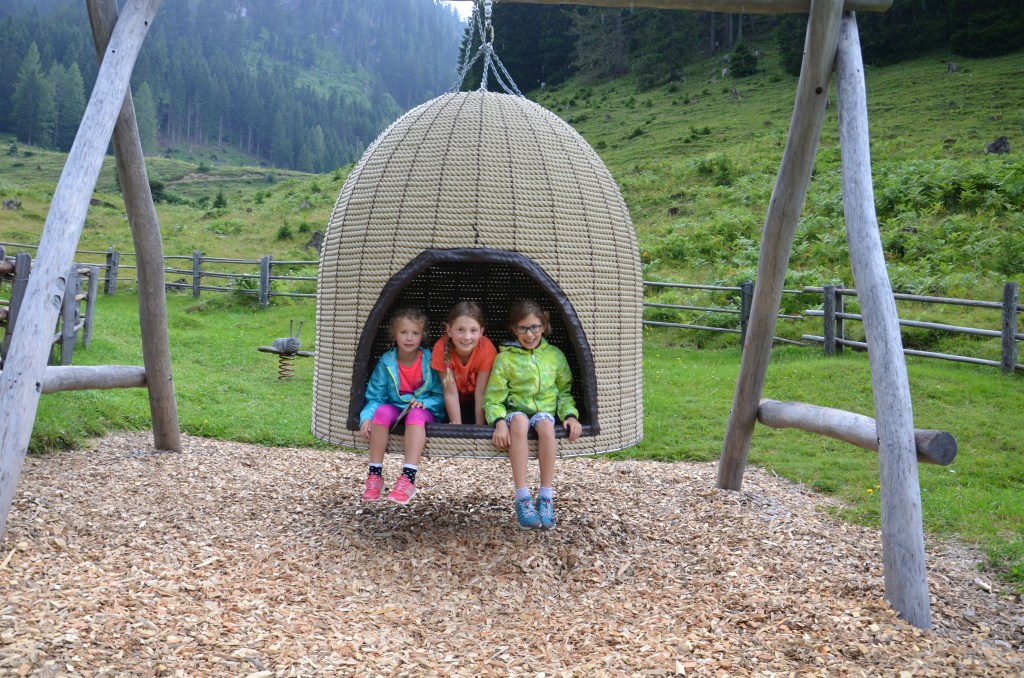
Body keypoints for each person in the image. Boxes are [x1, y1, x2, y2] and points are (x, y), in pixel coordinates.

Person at [484, 299, 582, 529]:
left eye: (534, 327)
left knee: (546, 425)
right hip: (515, 411)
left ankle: (546, 496)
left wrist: (570, 415)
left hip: (544, 412)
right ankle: (522, 498)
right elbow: (493, 398)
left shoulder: (555, 355)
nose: (529, 334)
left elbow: (564, 392)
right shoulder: (505, 359)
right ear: (514, 329)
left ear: (543, 326)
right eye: (523, 329)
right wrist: (499, 421)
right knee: (519, 421)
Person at [359, 307, 445, 505]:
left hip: (424, 411)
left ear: (422, 336)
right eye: (403, 332)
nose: (409, 338)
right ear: (394, 334)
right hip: (396, 408)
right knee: (381, 412)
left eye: (415, 333)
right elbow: (376, 396)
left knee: (415, 414)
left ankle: (408, 478)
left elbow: (441, 395)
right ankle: (375, 474)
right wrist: (367, 416)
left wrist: (425, 403)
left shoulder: (430, 360)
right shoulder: (387, 362)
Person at [430, 301, 497, 425]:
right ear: (449, 330)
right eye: (460, 330)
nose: (467, 337)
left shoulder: (486, 349)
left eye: (473, 330)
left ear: (481, 332)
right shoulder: (441, 348)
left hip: (476, 403)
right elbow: (450, 393)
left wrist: (479, 428)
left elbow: (481, 393)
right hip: (451, 404)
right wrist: (457, 427)